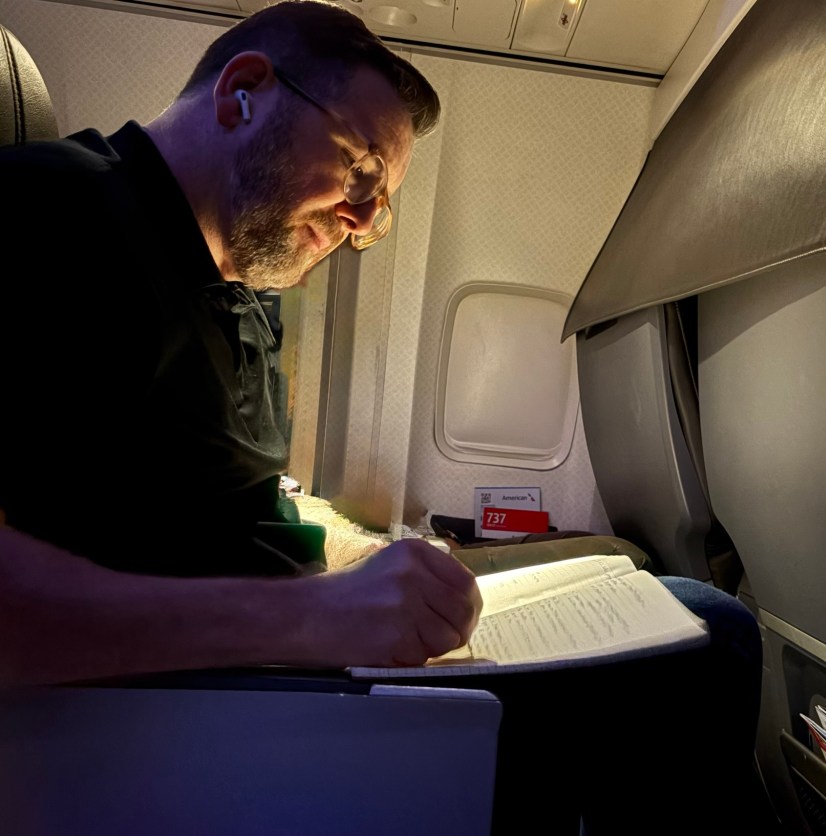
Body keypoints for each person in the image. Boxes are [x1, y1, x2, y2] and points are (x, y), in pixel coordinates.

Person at [0, 2, 761, 832]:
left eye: (381, 201)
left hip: (283, 661)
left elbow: (252, 503)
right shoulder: (54, 213)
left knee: (646, 584)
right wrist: (312, 618)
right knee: (709, 628)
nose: (364, 223)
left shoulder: (239, 288)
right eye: (360, 170)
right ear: (243, 92)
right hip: (207, 708)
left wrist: (368, 556)